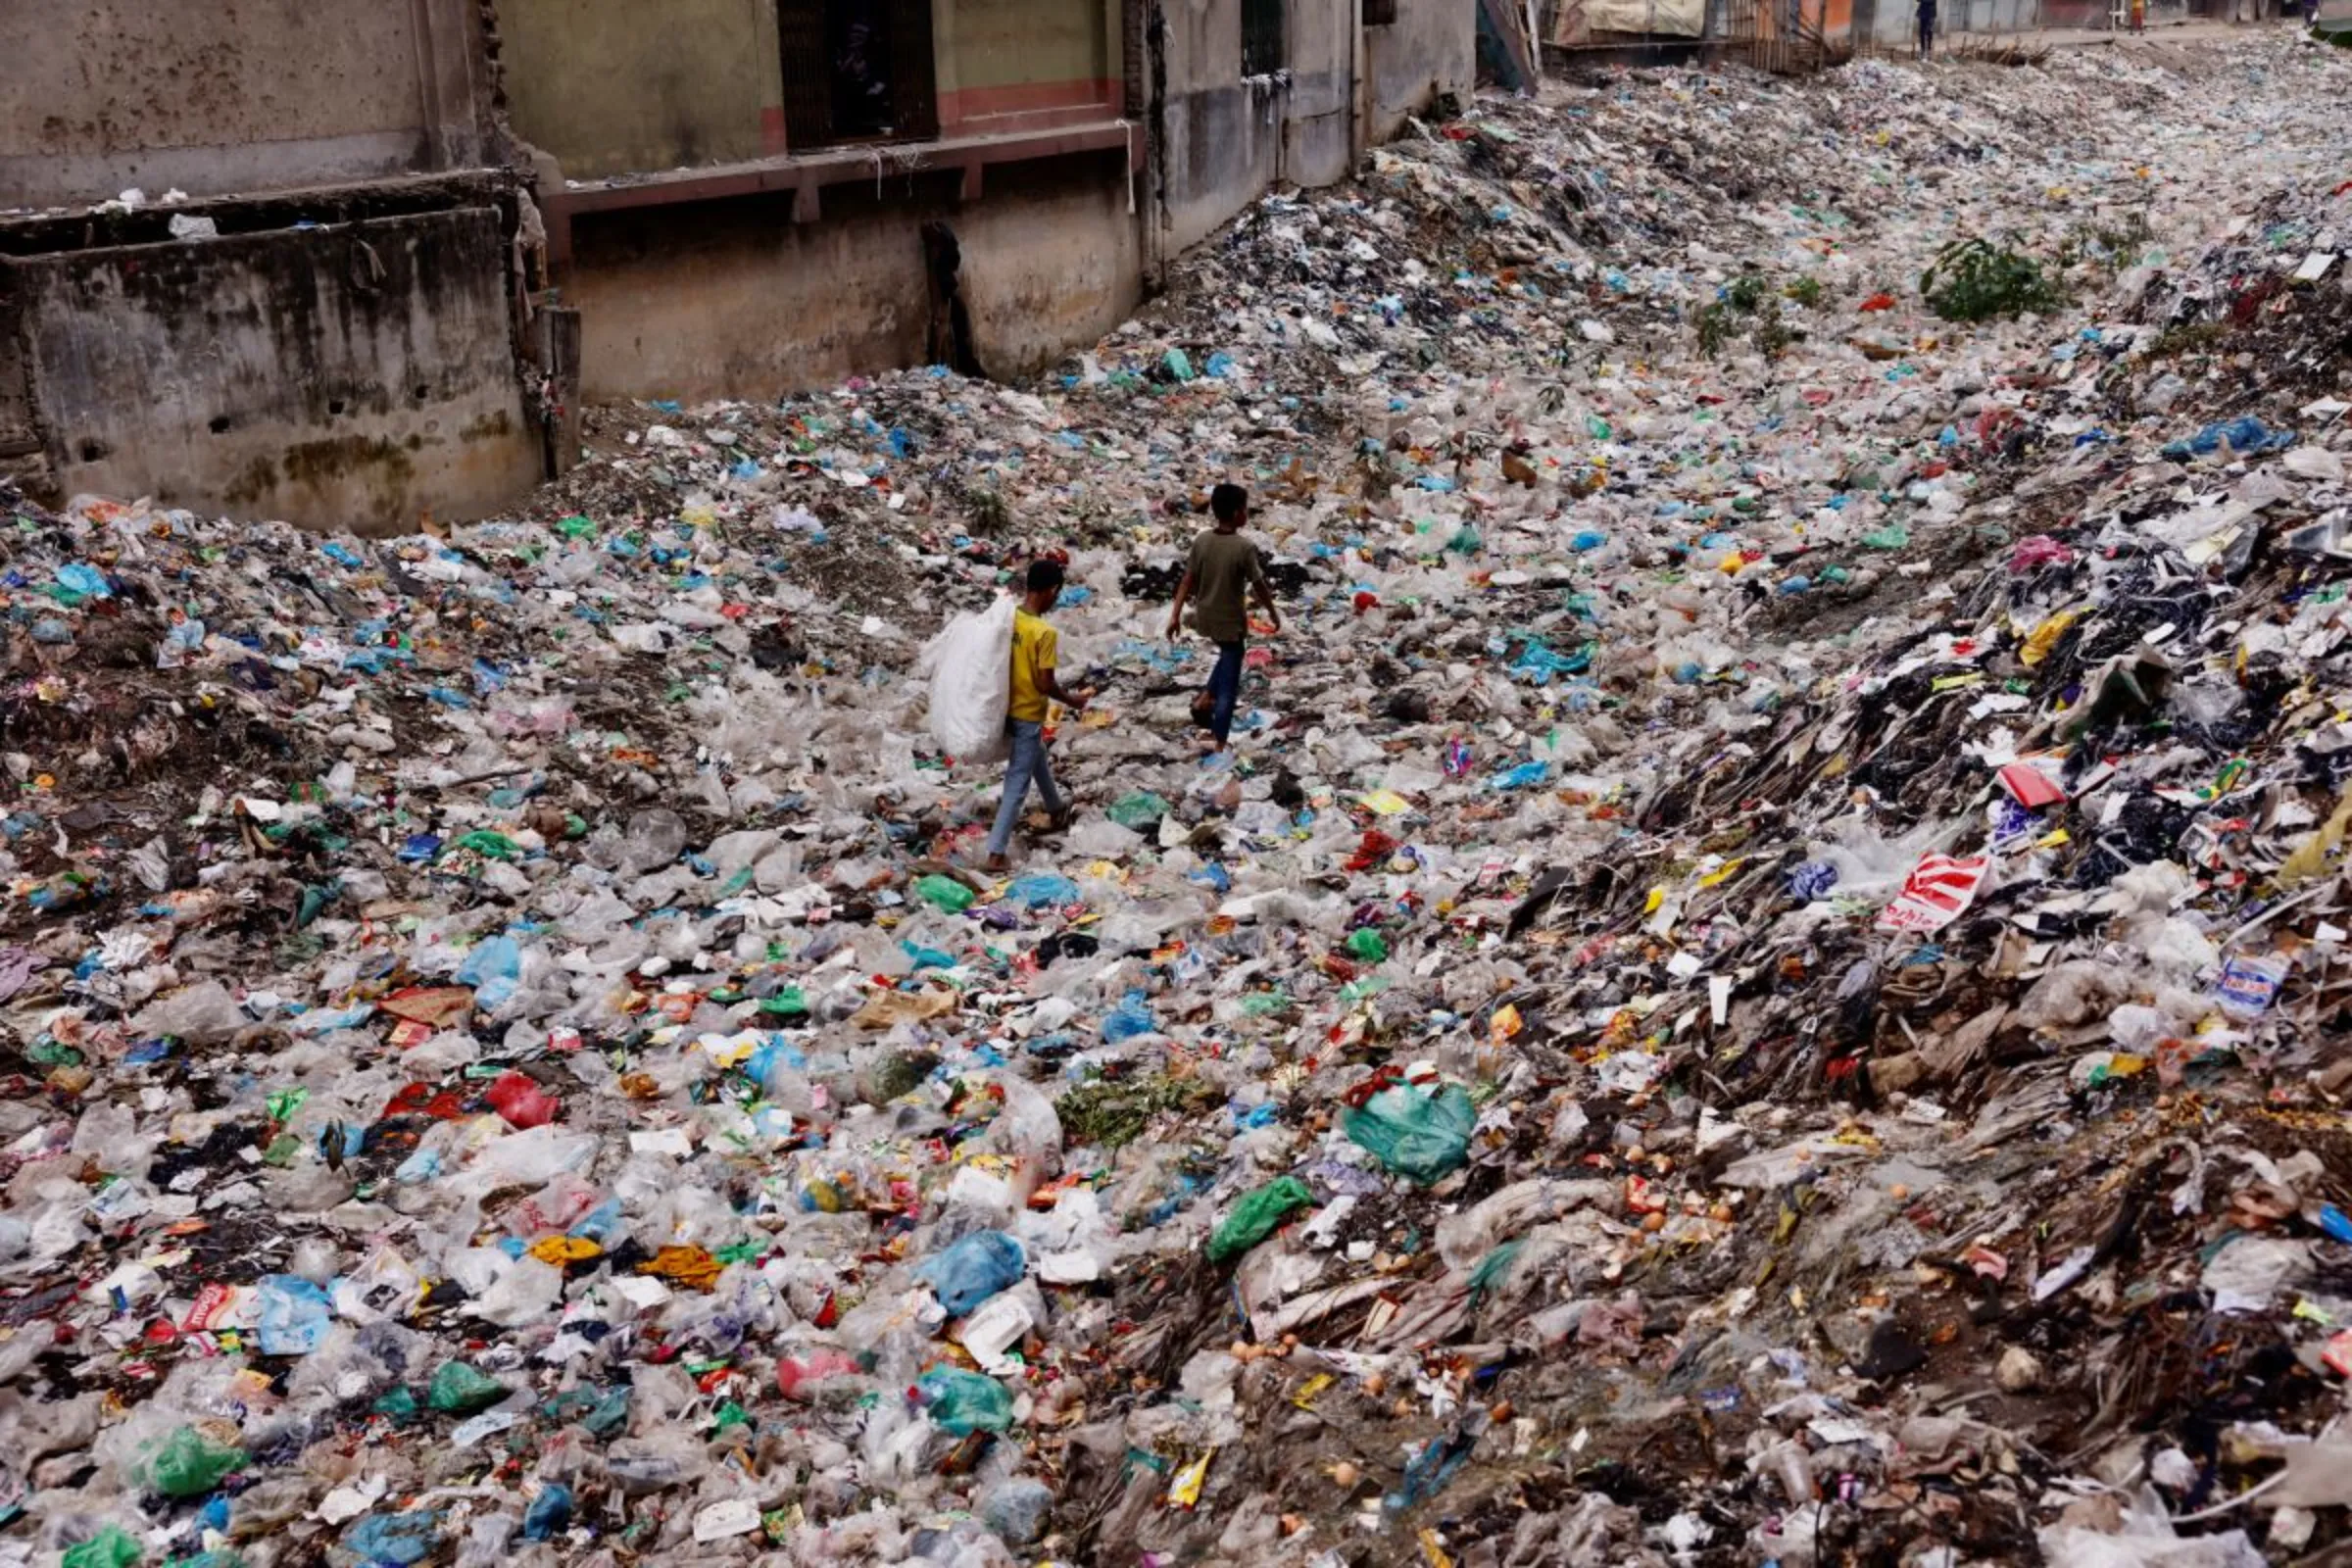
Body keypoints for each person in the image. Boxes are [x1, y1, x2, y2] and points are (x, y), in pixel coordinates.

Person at [985, 560, 1092, 872]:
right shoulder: (1044, 632)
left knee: (1037, 756)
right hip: (1029, 712)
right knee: (1017, 782)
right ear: (1052, 590)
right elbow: (1044, 683)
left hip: (1004, 708)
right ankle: (995, 852)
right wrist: (1071, 699)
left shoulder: (1010, 619)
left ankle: (1056, 807)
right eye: (1057, 593)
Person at [1164, 483, 1282, 751]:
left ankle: (1204, 697)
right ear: (1237, 513)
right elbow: (1260, 585)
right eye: (1245, 508)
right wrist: (1273, 613)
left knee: (1230, 654)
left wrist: (1175, 615)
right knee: (1229, 685)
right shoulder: (1244, 547)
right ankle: (1219, 740)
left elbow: (1187, 580)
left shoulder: (1202, 540)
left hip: (1206, 616)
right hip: (1230, 620)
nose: (1247, 513)